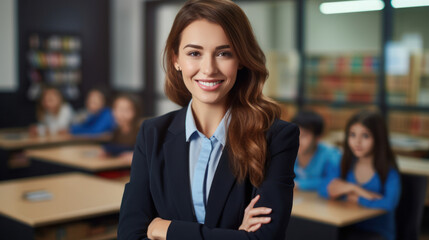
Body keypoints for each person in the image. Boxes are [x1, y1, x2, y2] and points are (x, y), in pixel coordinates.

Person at [118, 0, 299, 239]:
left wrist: (167, 228)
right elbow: (131, 234)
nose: (209, 68)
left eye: (224, 53)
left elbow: (265, 238)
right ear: (176, 59)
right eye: (194, 53)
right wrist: (232, 235)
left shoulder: (276, 137)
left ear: (242, 59)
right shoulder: (152, 132)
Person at [319, 110, 401, 240]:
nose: (357, 142)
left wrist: (357, 198)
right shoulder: (343, 163)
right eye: (352, 135)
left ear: (378, 138)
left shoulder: (388, 170)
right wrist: (355, 188)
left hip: (378, 233)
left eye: (365, 136)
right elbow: (324, 188)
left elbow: (389, 203)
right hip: (347, 228)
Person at [291, 110, 341, 191]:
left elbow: (332, 182)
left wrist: (299, 184)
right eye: (294, 134)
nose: (297, 140)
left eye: (304, 135)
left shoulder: (331, 156)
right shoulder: (286, 154)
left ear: (318, 138)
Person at [101, 93, 142, 164]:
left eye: (126, 110)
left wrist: (137, 156)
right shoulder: (115, 131)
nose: (120, 114)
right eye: (116, 109)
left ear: (136, 112)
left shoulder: (142, 133)